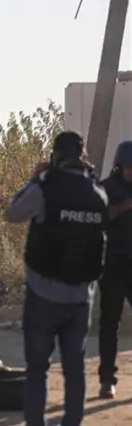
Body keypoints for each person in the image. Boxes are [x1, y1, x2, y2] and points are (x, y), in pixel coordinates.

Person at [4, 131, 108, 426]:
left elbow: (12, 213)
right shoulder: (97, 193)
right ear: (82, 156)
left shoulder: (44, 189)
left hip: (43, 296)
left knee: (37, 370)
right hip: (80, 299)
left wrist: (34, 179)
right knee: (75, 370)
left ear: (56, 156)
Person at [97, 140, 132, 399]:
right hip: (112, 265)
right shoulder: (106, 189)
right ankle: (107, 379)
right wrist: (123, 207)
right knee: (110, 323)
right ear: (120, 166)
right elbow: (96, 218)